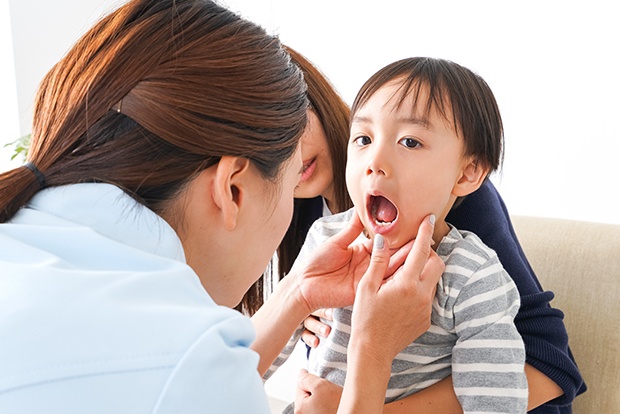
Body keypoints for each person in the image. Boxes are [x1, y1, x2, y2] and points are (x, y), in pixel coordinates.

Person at [0, 1, 446, 413]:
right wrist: (372, 351)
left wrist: (299, 291)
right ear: (233, 189)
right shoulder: (187, 360)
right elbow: (194, 379)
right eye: (293, 182)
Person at [257, 49, 585, 413]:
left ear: (466, 174)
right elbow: (236, 369)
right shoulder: (322, 235)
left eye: (410, 142)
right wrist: (297, 302)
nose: (374, 163)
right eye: (363, 140)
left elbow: (498, 400)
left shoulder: (471, 273)